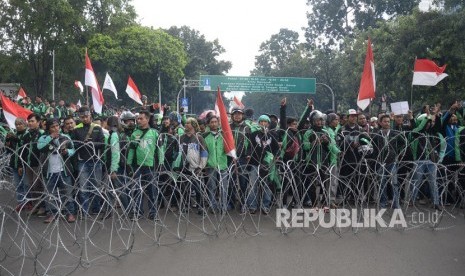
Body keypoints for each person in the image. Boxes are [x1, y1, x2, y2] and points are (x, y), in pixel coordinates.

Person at [38, 118, 76, 223]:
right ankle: (52, 213)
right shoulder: (44, 137)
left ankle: (70, 213)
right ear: (48, 128)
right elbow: (40, 147)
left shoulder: (65, 137)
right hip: (49, 172)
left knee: (67, 193)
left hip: (64, 171)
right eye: (52, 127)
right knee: (50, 194)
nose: (55, 129)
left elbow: (73, 150)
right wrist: (51, 137)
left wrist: (67, 151)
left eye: (57, 126)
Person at [71, 106, 105, 217]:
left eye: (86, 116)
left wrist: (92, 144)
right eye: (82, 117)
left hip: (96, 160)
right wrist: (82, 144)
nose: (84, 119)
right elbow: (73, 145)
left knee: (96, 187)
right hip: (82, 161)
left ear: (90, 115)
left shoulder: (97, 128)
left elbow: (103, 143)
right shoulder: (76, 129)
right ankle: (84, 210)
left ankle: (96, 208)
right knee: (83, 188)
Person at [127, 110, 160, 220]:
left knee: (152, 190)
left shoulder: (155, 133)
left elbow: (160, 150)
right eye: (138, 119)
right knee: (137, 190)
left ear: (147, 119)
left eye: (141, 118)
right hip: (137, 166)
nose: (139, 120)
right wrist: (129, 164)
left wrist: (161, 163)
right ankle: (138, 212)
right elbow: (131, 150)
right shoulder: (134, 134)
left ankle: (153, 213)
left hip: (150, 165)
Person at [247, 115, 280, 215]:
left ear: (269, 124)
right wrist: (248, 155)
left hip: (267, 164)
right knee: (253, 185)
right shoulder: (254, 134)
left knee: (266, 185)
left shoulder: (272, 135)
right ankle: (252, 206)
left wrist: (276, 156)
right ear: (258, 123)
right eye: (261, 122)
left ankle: (265, 205)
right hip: (254, 163)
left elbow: (276, 149)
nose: (263, 124)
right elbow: (249, 146)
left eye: (265, 122)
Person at [178, 117, 208, 215]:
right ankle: (185, 206)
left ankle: (201, 207)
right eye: (185, 123)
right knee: (184, 189)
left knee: (198, 189)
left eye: (188, 123)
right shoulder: (181, 137)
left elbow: (204, 152)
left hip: (196, 167)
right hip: (184, 167)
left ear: (194, 125)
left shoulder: (199, 138)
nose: (186, 125)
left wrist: (201, 167)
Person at [203, 115, 230, 214]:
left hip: (223, 164)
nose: (214, 124)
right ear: (209, 124)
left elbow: (229, 148)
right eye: (212, 122)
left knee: (224, 187)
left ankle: (224, 206)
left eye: (215, 122)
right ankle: (213, 206)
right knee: (212, 187)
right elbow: (204, 151)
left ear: (218, 123)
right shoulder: (205, 136)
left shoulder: (224, 135)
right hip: (211, 165)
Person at [22, 113, 46, 216]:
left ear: (38, 122)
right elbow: (23, 151)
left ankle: (42, 206)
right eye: (29, 121)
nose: (30, 123)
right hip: (28, 163)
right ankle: (36, 205)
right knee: (30, 185)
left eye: (32, 121)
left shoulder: (42, 134)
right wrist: (21, 164)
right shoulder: (27, 135)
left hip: (38, 163)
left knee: (38, 185)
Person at [5, 118, 30, 212]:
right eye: (16, 124)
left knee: (26, 184)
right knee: (18, 184)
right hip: (14, 163)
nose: (18, 126)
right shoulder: (14, 134)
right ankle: (21, 203)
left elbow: (24, 149)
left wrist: (21, 165)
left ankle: (28, 202)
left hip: (22, 163)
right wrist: (7, 142)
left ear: (24, 124)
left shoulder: (27, 134)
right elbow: (9, 150)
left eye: (20, 124)